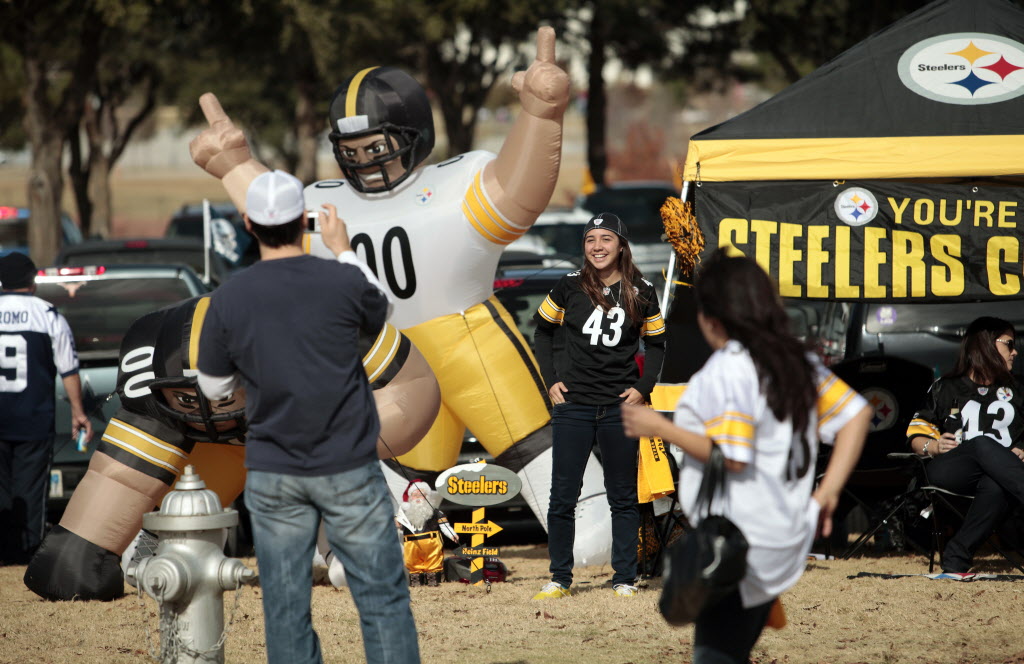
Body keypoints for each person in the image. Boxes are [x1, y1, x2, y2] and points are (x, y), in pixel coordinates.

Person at [187, 28, 618, 567]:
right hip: (393, 366)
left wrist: (539, 114)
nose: (364, 162)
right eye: (352, 151)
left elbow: (519, 191)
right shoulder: (323, 203)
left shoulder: (457, 185)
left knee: (583, 525)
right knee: (383, 530)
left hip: (470, 347)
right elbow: (272, 213)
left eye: (375, 148)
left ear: (411, 135)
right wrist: (233, 165)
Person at [25, 286, 438, 601]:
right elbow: (116, 485)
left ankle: (381, 533)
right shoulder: (149, 360)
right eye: (192, 396)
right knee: (118, 564)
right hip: (218, 448)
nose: (210, 406)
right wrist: (81, 558)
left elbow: (413, 390)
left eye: (223, 394)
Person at [197, 170, 418, 664]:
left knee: (286, 606)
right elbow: (382, 309)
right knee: (382, 600)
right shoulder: (340, 279)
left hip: (275, 469)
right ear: (304, 221)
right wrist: (343, 248)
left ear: (248, 224)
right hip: (349, 465)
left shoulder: (229, 297)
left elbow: (212, 387)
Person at [620, 248, 871, 664]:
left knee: (715, 656)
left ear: (712, 317)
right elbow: (856, 416)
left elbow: (733, 456)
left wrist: (660, 427)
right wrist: (827, 494)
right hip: (784, 536)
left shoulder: (729, 370)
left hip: (737, 545)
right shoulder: (796, 360)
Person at [530, 212, 667, 599]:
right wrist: (550, 379)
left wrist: (643, 387)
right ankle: (559, 578)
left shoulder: (642, 290)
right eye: (591, 240)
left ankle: (624, 577)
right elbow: (542, 330)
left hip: (619, 406)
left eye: (606, 239)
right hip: (574, 405)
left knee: (623, 496)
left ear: (621, 245)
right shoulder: (568, 286)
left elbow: (657, 344)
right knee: (562, 496)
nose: (598, 247)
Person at [906, 316, 1024, 575]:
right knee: (982, 443)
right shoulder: (946, 387)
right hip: (951, 472)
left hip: (1000, 478)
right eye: (1009, 344)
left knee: (995, 484)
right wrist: (933, 447)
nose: (1015, 351)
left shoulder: (1019, 389)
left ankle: (957, 556)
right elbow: (916, 435)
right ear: (987, 345)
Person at [0, 253, 92, 565]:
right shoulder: (48, 315)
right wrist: (78, 413)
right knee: (30, 489)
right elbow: (68, 370)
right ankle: (24, 553)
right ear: (32, 282)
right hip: (33, 417)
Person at [396, 479, 459, 587]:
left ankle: (433, 583)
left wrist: (452, 534)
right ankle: (416, 584)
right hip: (412, 544)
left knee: (433, 563)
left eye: (421, 495)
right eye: (415, 495)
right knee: (413, 564)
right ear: (411, 498)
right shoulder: (405, 513)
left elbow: (445, 526)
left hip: (432, 543)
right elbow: (398, 525)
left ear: (427, 497)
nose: (418, 497)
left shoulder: (435, 512)